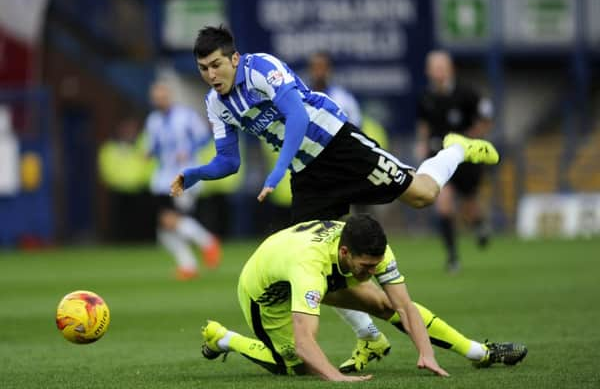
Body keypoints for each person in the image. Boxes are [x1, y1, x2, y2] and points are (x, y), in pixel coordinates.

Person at [170, 26, 499, 370]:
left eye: (216, 64)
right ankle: (371, 337)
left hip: (339, 145)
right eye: (203, 68)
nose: (211, 74)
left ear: (234, 58)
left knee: (423, 195)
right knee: (314, 264)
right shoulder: (216, 104)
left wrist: (279, 169)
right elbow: (228, 161)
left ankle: (457, 148)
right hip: (310, 176)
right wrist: (194, 174)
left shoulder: (261, 69)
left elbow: (297, 116)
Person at [200, 214, 527, 380]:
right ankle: (224, 338)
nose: (372, 273)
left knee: (386, 304)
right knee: (298, 367)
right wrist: (336, 377)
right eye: (366, 267)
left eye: (375, 266)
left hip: (307, 266)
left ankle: (478, 352)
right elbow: (305, 340)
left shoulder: (373, 249)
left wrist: (426, 352)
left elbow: (404, 306)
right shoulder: (309, 268)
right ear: (345, 252)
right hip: (266, 293)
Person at [416, 50, 495, 273]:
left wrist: (472, 138)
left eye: (442, 67)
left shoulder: (467, 93)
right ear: (428, 71)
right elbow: (423, 125)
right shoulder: (425, 97)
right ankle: (452, 258)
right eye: (435, 68)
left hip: (465, 158)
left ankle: (479, 225)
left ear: (450, 69)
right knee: (444, 204)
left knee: (469, 207)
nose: (438, 72)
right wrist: (422, 143)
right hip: (439, 157)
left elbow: (486, 117)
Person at [144, 80, 221, 280]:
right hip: (162, 179)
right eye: (156, 98)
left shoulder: (185, 116)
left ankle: (207, 242)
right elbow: (155, 146)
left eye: (162, 96)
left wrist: (189, 150)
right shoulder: (153, 120)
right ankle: (189, 266)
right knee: (165, 230)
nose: (159, 100)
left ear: (169, 96)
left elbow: (205, 136)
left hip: (184, 176)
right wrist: (149, 153)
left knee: (171, 219)